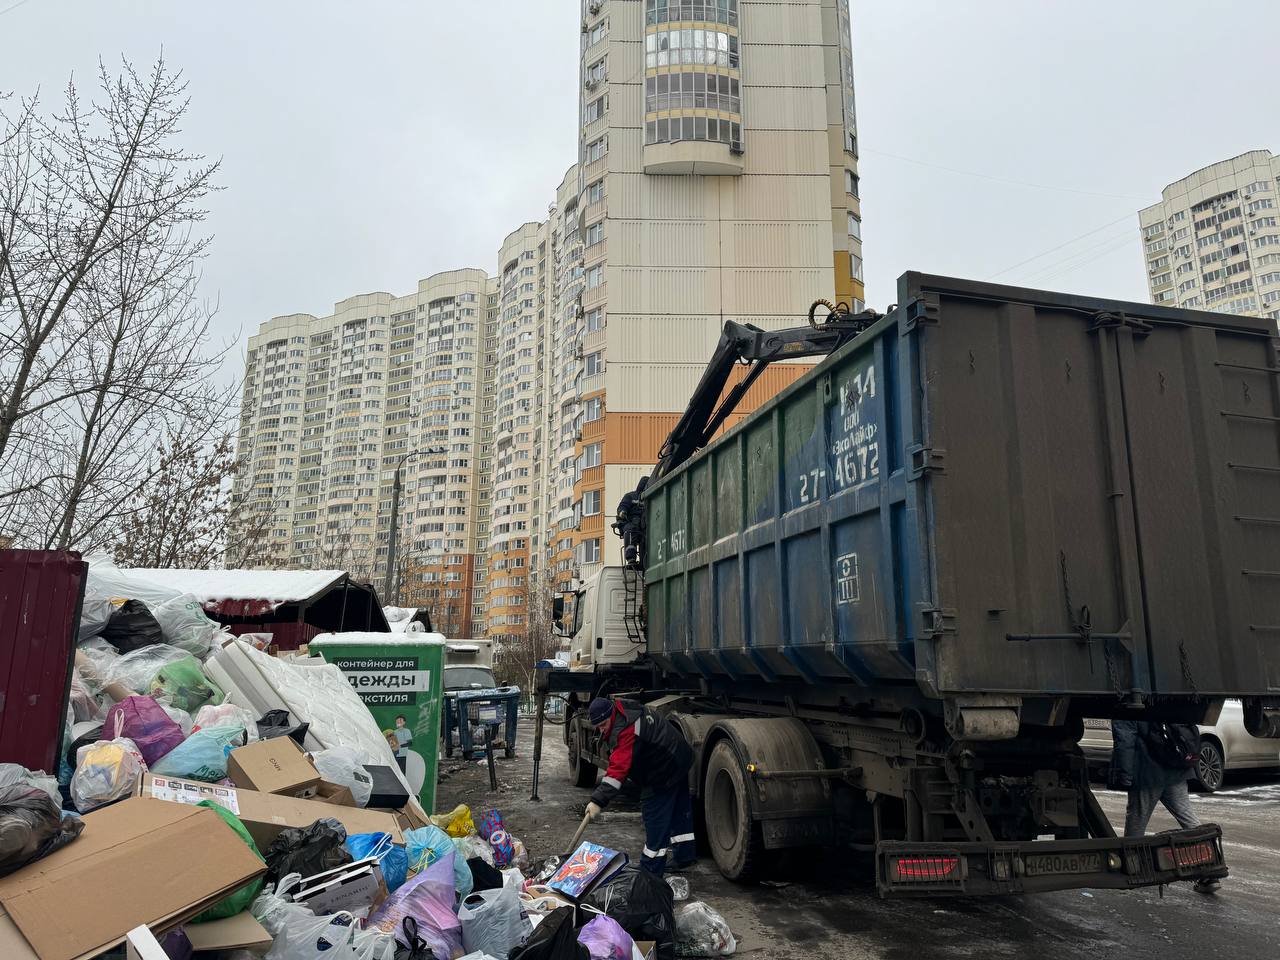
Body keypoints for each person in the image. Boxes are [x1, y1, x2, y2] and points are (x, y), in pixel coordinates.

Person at [584, 696, 695, 876]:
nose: (601, 729)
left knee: (655, 817)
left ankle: (650, 870)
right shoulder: (625, 709)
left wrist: (597, 800)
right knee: (678, 812)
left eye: (603, 724)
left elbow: (617, 772)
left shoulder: (626, 729)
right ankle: (684, 856)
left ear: (610, 714)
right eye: (598, 726)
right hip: (678, 757)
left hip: (664, 769)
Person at [1111, 719, 1219, 893]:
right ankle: (1210, 871)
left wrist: (1124, 775)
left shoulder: (1127, 705)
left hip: (1148, 774)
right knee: (1189, 821)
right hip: (1175, 771)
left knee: (1137, 821)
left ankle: (1132, 869)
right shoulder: (1162, 698)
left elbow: (1124, 741)